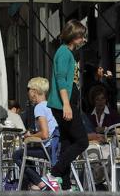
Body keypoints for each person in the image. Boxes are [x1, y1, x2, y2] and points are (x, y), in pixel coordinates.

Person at [43, 20, 89, 191]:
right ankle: (53, 173)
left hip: (65, 104)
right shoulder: (63, 53)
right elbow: (61, 79)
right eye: (81, 36)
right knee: (82, 141)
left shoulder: (67, 53)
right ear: (73, 36)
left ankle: (66, 186)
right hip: (63, 104)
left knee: (68, 142)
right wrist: (67, 105)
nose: (83, 40)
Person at [12, 78, 59, 190]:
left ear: (33, 91)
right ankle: (36, 182)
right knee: (26, 154)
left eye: (28, 90)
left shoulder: (39, 108)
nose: (27, 93)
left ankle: (40, 182)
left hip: (49, 149)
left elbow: (45, 134)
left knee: (17, 155)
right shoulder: (50, 105)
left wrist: (30, 136)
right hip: (57, 147)